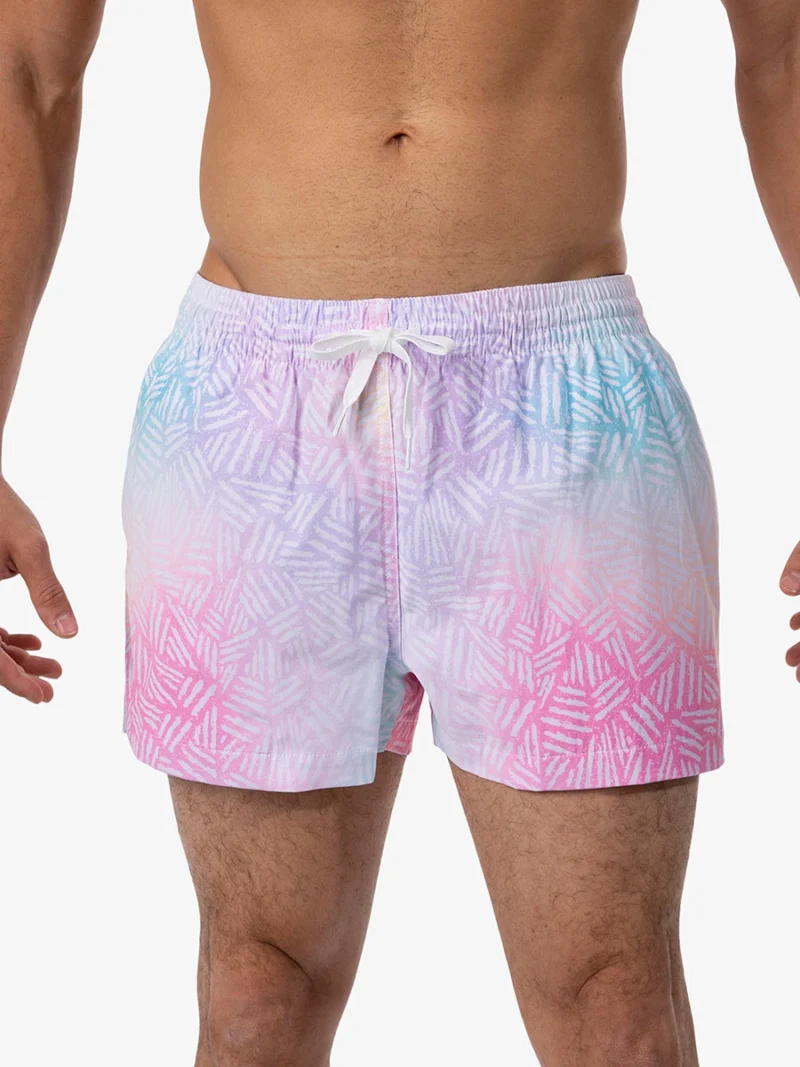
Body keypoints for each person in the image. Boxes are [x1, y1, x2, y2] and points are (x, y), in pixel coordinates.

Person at [1, 2, 799, 1064]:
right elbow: (27, 67)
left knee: (615, 1011)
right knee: (255, 996)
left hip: (564, 409)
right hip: (252, 415)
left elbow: (784, 52)